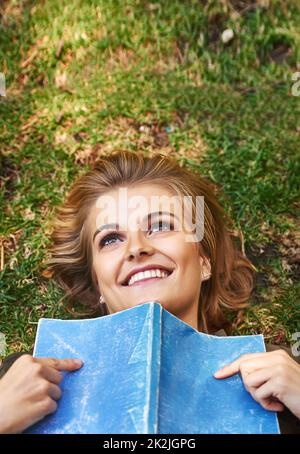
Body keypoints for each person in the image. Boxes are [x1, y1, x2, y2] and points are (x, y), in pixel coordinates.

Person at [0, 151, 299, 433]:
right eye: (111, 239)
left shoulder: (279, 369)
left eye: (160, 226)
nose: (137, 248)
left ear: (203, 261)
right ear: (97, 286)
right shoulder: (28, 374)